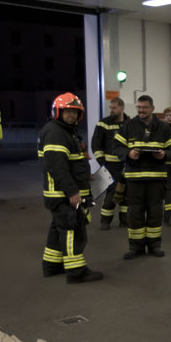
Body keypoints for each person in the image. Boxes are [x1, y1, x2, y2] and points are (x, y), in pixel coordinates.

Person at [38, 93, 103, 283]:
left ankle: (51, 265)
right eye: (67, 111)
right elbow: (57, 167)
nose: (71, 115)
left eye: (75, 112)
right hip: (63, 194)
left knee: (58, 229)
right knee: (71, 230)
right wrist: (72, 192)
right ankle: (76, 271)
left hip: (62, 193)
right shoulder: (55, 132)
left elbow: (71, 163)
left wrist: (85, 175)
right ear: (58, 111)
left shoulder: (66, 131)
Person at [114, 95, 171, 259]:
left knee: (155, 212)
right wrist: (128, 153)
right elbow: (117, 147)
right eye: (139, 107)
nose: (141, 111)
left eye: (144, 108)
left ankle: (155, 245)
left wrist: (163, 155)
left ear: (152, 109)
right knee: (134, 214)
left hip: (157, 178)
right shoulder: (128, 125)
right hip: (134, 178)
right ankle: (136, 247)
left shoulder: (163, 127)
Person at [91, 97, 129, 229]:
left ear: (122, 108)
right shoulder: (103, 124)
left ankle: (125, 220)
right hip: (110, 165)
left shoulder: (130, 123)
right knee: (112, 193)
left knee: (126, 193)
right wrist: (102, 162)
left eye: (114, 108)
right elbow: (96, 144)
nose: (111, 110)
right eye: (110, 108)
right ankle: (105, 221)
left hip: (127, 164)